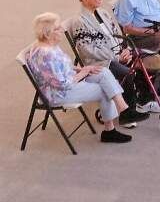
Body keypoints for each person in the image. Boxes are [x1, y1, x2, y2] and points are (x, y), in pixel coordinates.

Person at [24, 12, 132, 143]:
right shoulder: (46, 55)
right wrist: (84, 72)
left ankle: (124, 110)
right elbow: (63, 84)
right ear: (48, 33)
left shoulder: (48, 45)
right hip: (59, 93)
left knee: (103, 72)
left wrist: (81, 69)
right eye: (58, 28)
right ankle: (110, 131)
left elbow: (64, 66)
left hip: (70, 81)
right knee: (105, 88)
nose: (61, 30)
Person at [69, 0, 152, 122]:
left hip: (117, 53)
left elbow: (118, 35)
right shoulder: (79, 21)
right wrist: (116, 57)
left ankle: (144, 101)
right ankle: (128, 113)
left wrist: (125, 49)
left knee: (142, 61)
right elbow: (87, 50)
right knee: (127, 73)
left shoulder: (103, 13)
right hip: (101, 62)